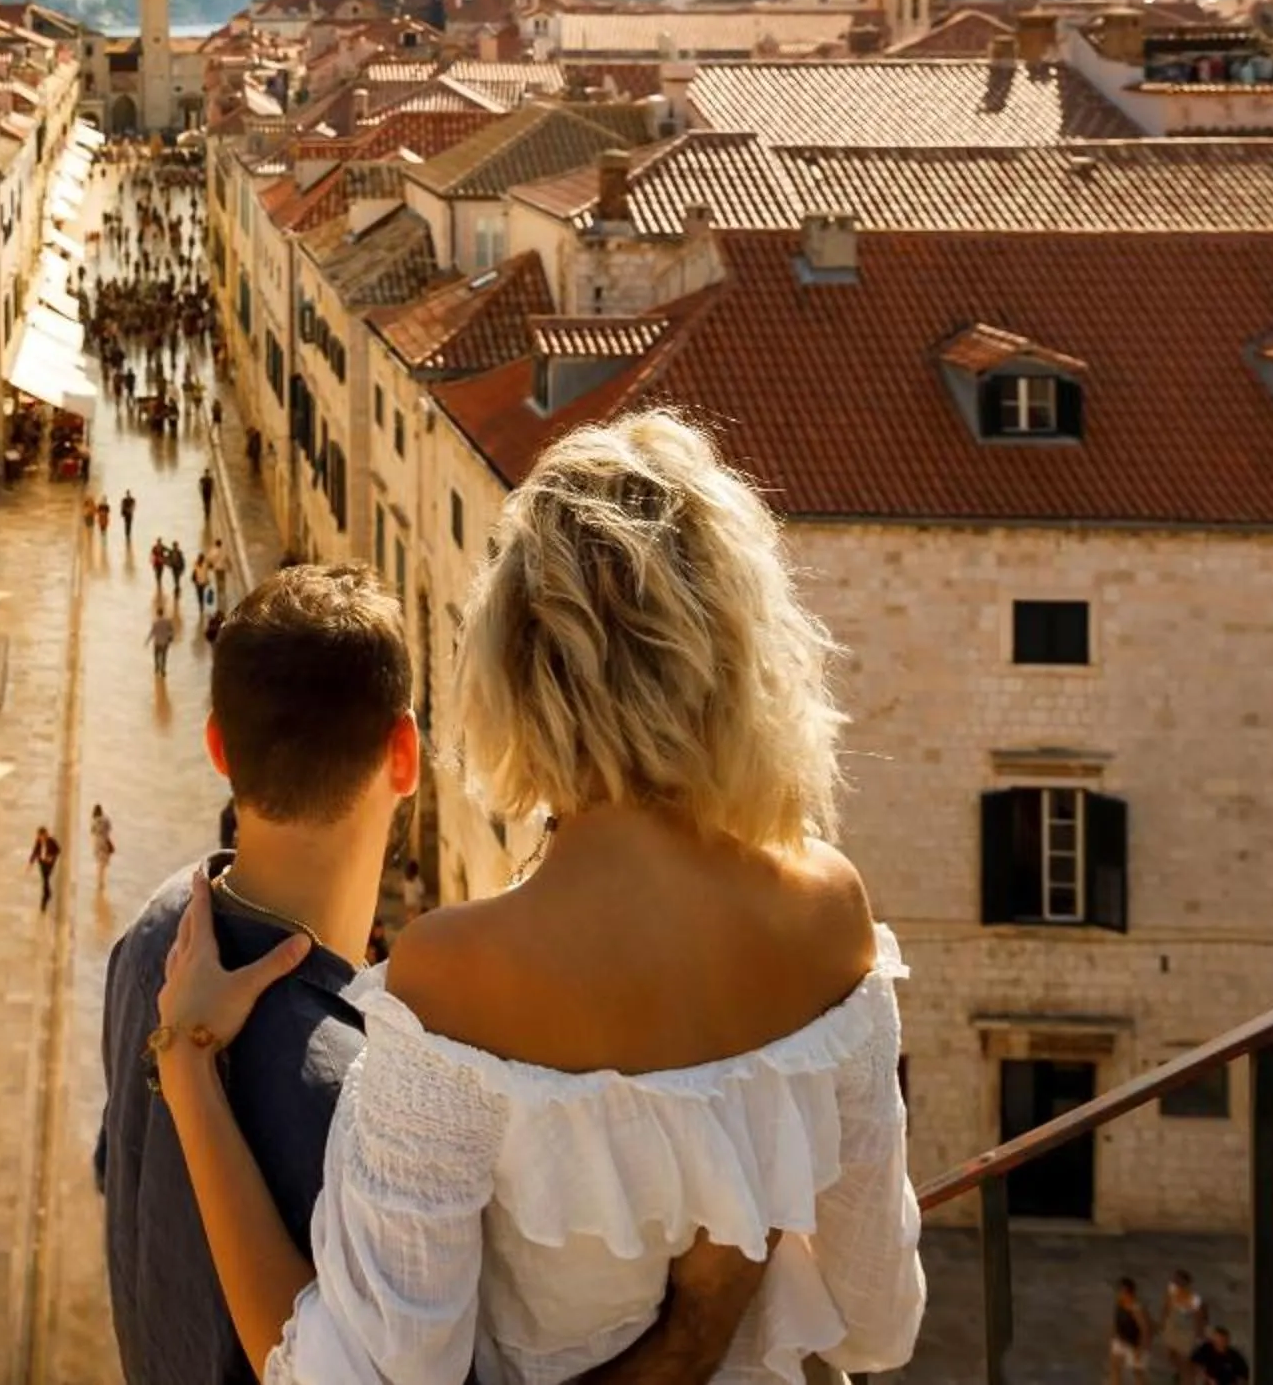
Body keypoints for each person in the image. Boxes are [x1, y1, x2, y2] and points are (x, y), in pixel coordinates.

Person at [154, 411, 923, 1384]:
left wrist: (186, 1065)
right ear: (743, 655)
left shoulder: (453, 976)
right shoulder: (831, 912)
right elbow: (876, 1322)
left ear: (514, 672)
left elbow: (358, 1375)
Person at [98, 564, 765, 1385]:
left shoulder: (152, 941)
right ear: (406, 755)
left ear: (216, 746)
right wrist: (694, 1330)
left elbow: (121, 1181)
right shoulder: (372, 1100)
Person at [1157, 1271, 1209, 1383]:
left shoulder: (1193, 1299)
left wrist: (1199, 1334)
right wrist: (1162, 1322)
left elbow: (1200, 1318)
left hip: (1186, 1332)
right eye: (1175, 1281)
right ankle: (1179, 1372)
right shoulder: (1171, 1291)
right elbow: (1166, 1306)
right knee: (1170, 1354)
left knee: (1185, 1360)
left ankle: (1188, 1379)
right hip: (1172, 1328)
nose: (1176, 1284)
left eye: (1179, 1282)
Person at [1111, 1279, 1152, 1384]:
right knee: (1115, 1367)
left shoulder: (1137, 1308)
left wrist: (1140, 1349)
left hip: (1135, 1344)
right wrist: (1115, 1336)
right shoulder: (1120, 1303)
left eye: (1124, 1292)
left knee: (1137, 1373)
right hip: (1121, 1340)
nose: (1121, 1294)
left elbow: (1145, 1330)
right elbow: (1118, 1320)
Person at [30, 826, 61, 912]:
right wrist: (31, 862)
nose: (40, 838)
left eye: (41, 836)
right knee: (45, 880)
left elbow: (58, 850)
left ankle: (45, 898)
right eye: (39, 836)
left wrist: (51, 857)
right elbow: (35, 851)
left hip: (49, 864)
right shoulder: (38, 842)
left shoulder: (51, 841)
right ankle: (47, 895)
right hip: (42, 863)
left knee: (45, 879)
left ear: (45, 835)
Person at [148, 595, 179, 678]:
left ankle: (157, 668)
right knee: (164, 656)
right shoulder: (167, 621)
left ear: (157, 614)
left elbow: (152, 632)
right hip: (165, 642)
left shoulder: (155, 622)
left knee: (156, 655)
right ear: (162, 613)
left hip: (157, 642)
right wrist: (171, 637)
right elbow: (171, 630)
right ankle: (163, 670)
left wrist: (147, 641)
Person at [92, 804, 118, 887]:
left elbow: (92, 831)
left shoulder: (94, 821)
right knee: (103, 863)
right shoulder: (106, 819)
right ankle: (102, 880)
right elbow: (109, 828)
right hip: (105, 841)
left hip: (97, 843)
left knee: (99, 863)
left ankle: (99, 881)